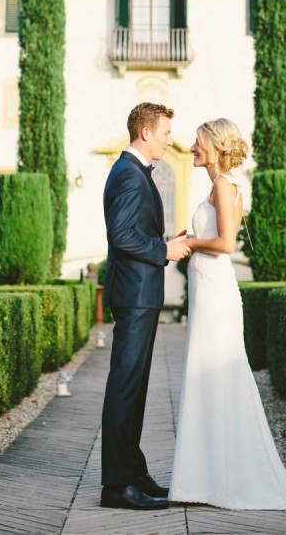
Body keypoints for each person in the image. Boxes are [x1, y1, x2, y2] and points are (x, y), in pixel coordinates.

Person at [169, 118, 286, 512]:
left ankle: (217, 478)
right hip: (210, 289)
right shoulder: (220, 186)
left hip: (214, 288)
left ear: (216, 147)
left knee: (213, 374)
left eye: (198, 142)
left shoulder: (224, 186)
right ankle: (205, 477)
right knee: (207, 374)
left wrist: (188, 242)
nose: (192, 147)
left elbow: (225, 243)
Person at [100, 102, 191, 511]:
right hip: (135, 297)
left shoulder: (131, 173)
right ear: (146, 133)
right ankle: (117, 487)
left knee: (133, 390)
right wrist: (164, 249)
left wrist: (169, 240)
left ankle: (134, 473)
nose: (171, 139)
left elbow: (133, 230)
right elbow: (122, 236)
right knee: (124, 389)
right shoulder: (128, 175)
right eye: (166, 132)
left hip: (140, 294)